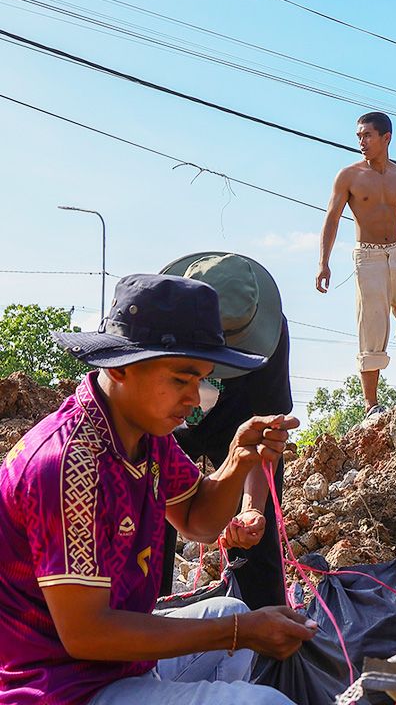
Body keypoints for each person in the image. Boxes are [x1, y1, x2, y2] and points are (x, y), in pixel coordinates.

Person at [0, 274, 314, 705]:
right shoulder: (69, 466)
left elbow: (198, 521)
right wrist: (240, 633)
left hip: (115, 666)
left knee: (233, 611)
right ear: (123, 365)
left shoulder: (145, 437)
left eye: (201, 381)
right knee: (265, 698)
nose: (194, 399)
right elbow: (87, 634)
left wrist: (239, 458)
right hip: (62, 686)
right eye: (182, 379)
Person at [158, 252, 292, 611]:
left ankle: (268, 648)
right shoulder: (156, 331)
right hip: (165, 429)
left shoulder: (271, 335)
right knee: (150, 526)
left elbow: (265, 431)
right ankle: (146, 630)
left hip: (238, 430)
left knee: (253, 542)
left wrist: (251, 508)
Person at [316, 111, 396, 415]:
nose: (361, 141)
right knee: (372, 327)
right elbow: (331, 218)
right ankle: (371, 404)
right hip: (367, 257)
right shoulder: (349, 176)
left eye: (367, 135)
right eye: (359, 136)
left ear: (386, 138)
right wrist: (323, 262)